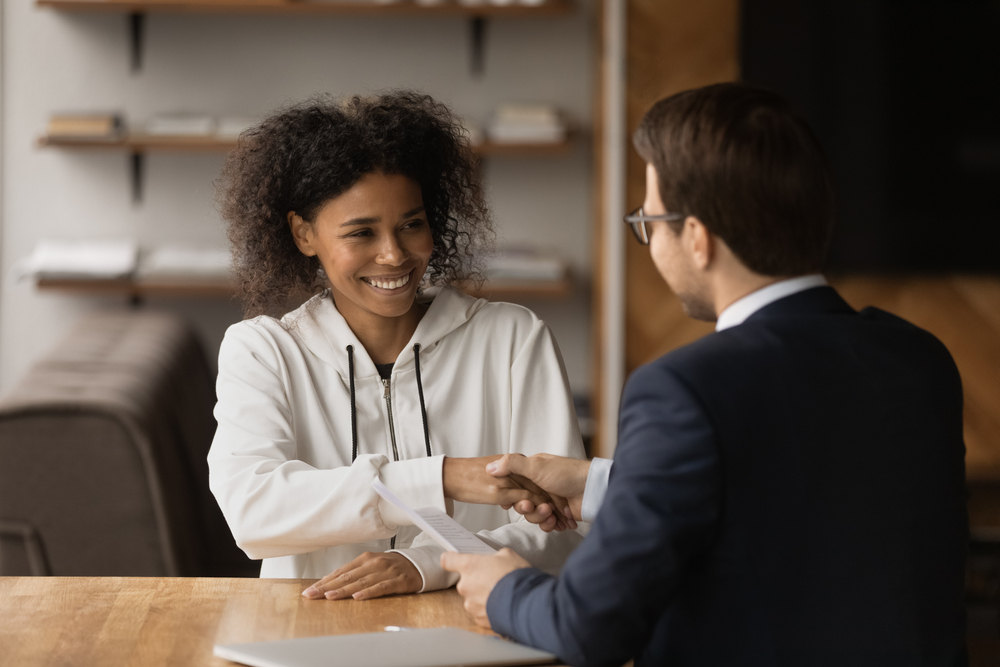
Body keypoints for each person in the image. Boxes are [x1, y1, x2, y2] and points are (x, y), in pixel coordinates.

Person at [441, 83, 969, 666]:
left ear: (696, 237)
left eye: (649, 221)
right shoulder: (919, 359)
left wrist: (504, 589)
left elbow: (590, 628)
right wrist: (600, 484)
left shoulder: (683, 388)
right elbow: (783, 497)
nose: (649, 240)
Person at [209, 91, 584, 601]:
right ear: (303, 233)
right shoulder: (263, 352)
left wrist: (427, 562)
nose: (394, 254)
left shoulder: (513, 339)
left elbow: (564, 532)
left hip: (477, 630)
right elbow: (254, 513)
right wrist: (441, 478)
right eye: (361, 232)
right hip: (312, 637)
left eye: (411, 224)